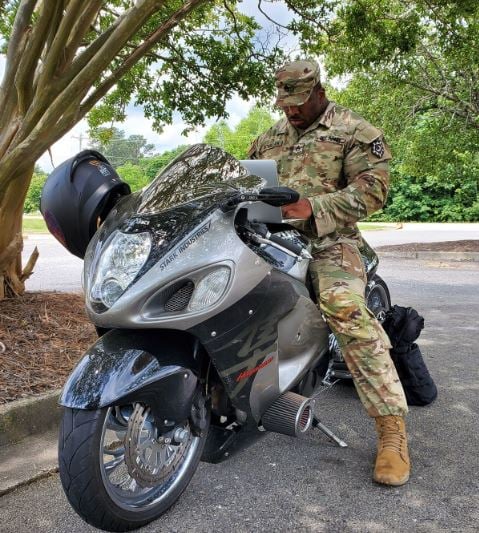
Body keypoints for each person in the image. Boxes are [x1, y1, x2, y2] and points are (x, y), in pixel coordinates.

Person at [248, 60, 410, 486]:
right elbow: (239, 183)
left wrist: (313, 207)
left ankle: (391, 431)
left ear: (318, 90)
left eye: (298, 102)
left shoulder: (355, 130)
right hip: (269, 240)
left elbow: (375, 190)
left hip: (330, 243)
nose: (291, 111)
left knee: (345, 309)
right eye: (285, 102)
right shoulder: (269, 137)